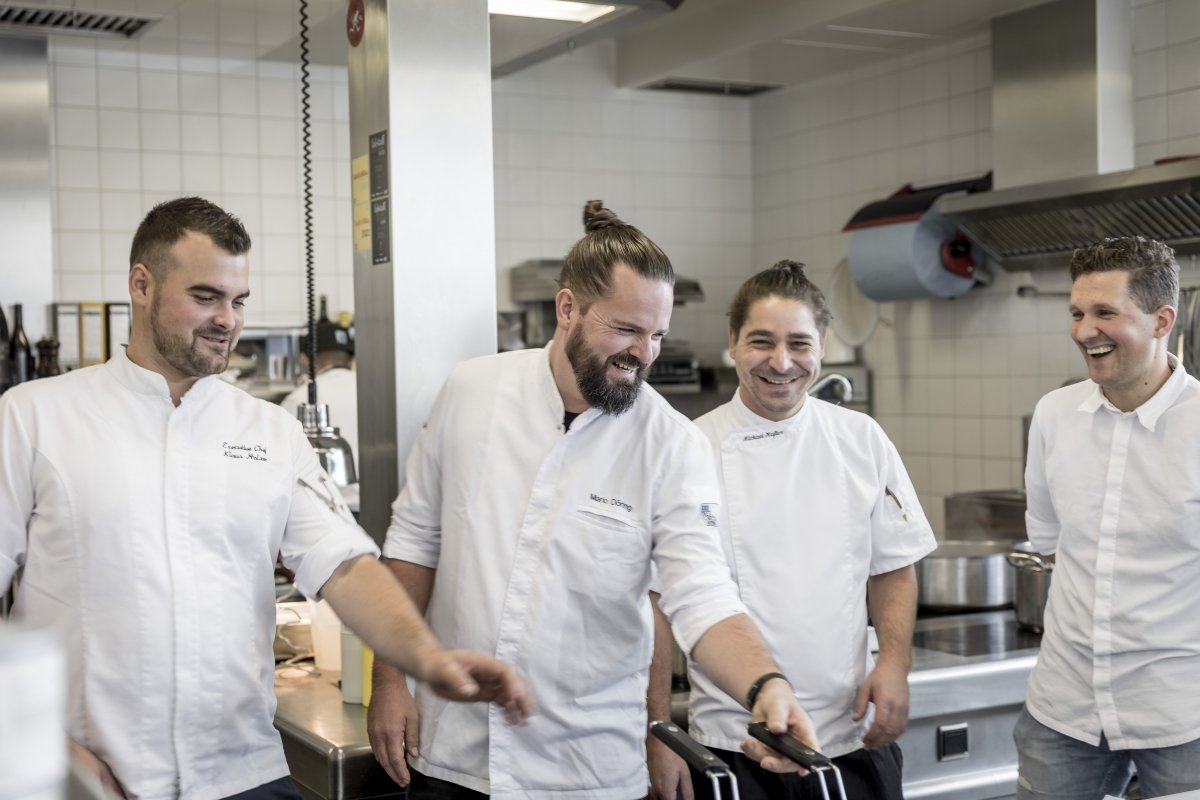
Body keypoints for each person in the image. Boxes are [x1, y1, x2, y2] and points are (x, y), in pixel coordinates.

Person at [0, 197, 531, 800]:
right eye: (205, 296)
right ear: (140, 285)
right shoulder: (33, 419)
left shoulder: (269, 432)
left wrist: (428, 661)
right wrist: (43, 743)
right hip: (80, 780)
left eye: (239, 299)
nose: (228, 318)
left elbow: (346, 566)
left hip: (242, 775)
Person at [367, 201, 819, 799]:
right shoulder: (472, 391)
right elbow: (415, 545)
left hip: (588, 768)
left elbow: (700, 593)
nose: (644, 354)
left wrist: (766, 687)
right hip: (453, 751)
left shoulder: (671, 445)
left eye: (657, 335)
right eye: (627, 330)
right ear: (567, 308)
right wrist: (389, 681)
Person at [647, 260, 936, 800]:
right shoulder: (688, 449)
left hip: (850, 737)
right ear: (732, 342)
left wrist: (894, 665)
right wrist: (659, 731)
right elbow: (658, 604)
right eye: (761, 341)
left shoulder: (861, 439)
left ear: (822, 344)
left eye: (799, 343)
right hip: (734, 743)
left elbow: (893, 566)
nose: (781, 362)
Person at [1015, 235, 1200, 799]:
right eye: (1076, 313)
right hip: (1064, 709)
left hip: (1181, 713)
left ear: (1161, 320)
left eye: (1104, 313)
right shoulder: (1053, 415)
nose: (1083, 330)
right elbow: (1047, 544)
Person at [280, 318, 360, 474]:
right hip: (382, 494)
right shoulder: (373, 391)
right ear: (352, 359)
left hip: (325, 496)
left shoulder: (297, 400)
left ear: (305, 359)